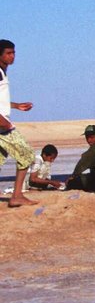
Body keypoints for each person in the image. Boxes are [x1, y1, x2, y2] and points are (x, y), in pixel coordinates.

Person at [0, 39, 38, 207]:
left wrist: (16, 106)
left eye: (13, 52)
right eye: (8, 53)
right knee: (27, 154)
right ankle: (17, 195)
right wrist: (4, 123)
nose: (12, 56)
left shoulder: (3, 72)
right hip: (2, 125)